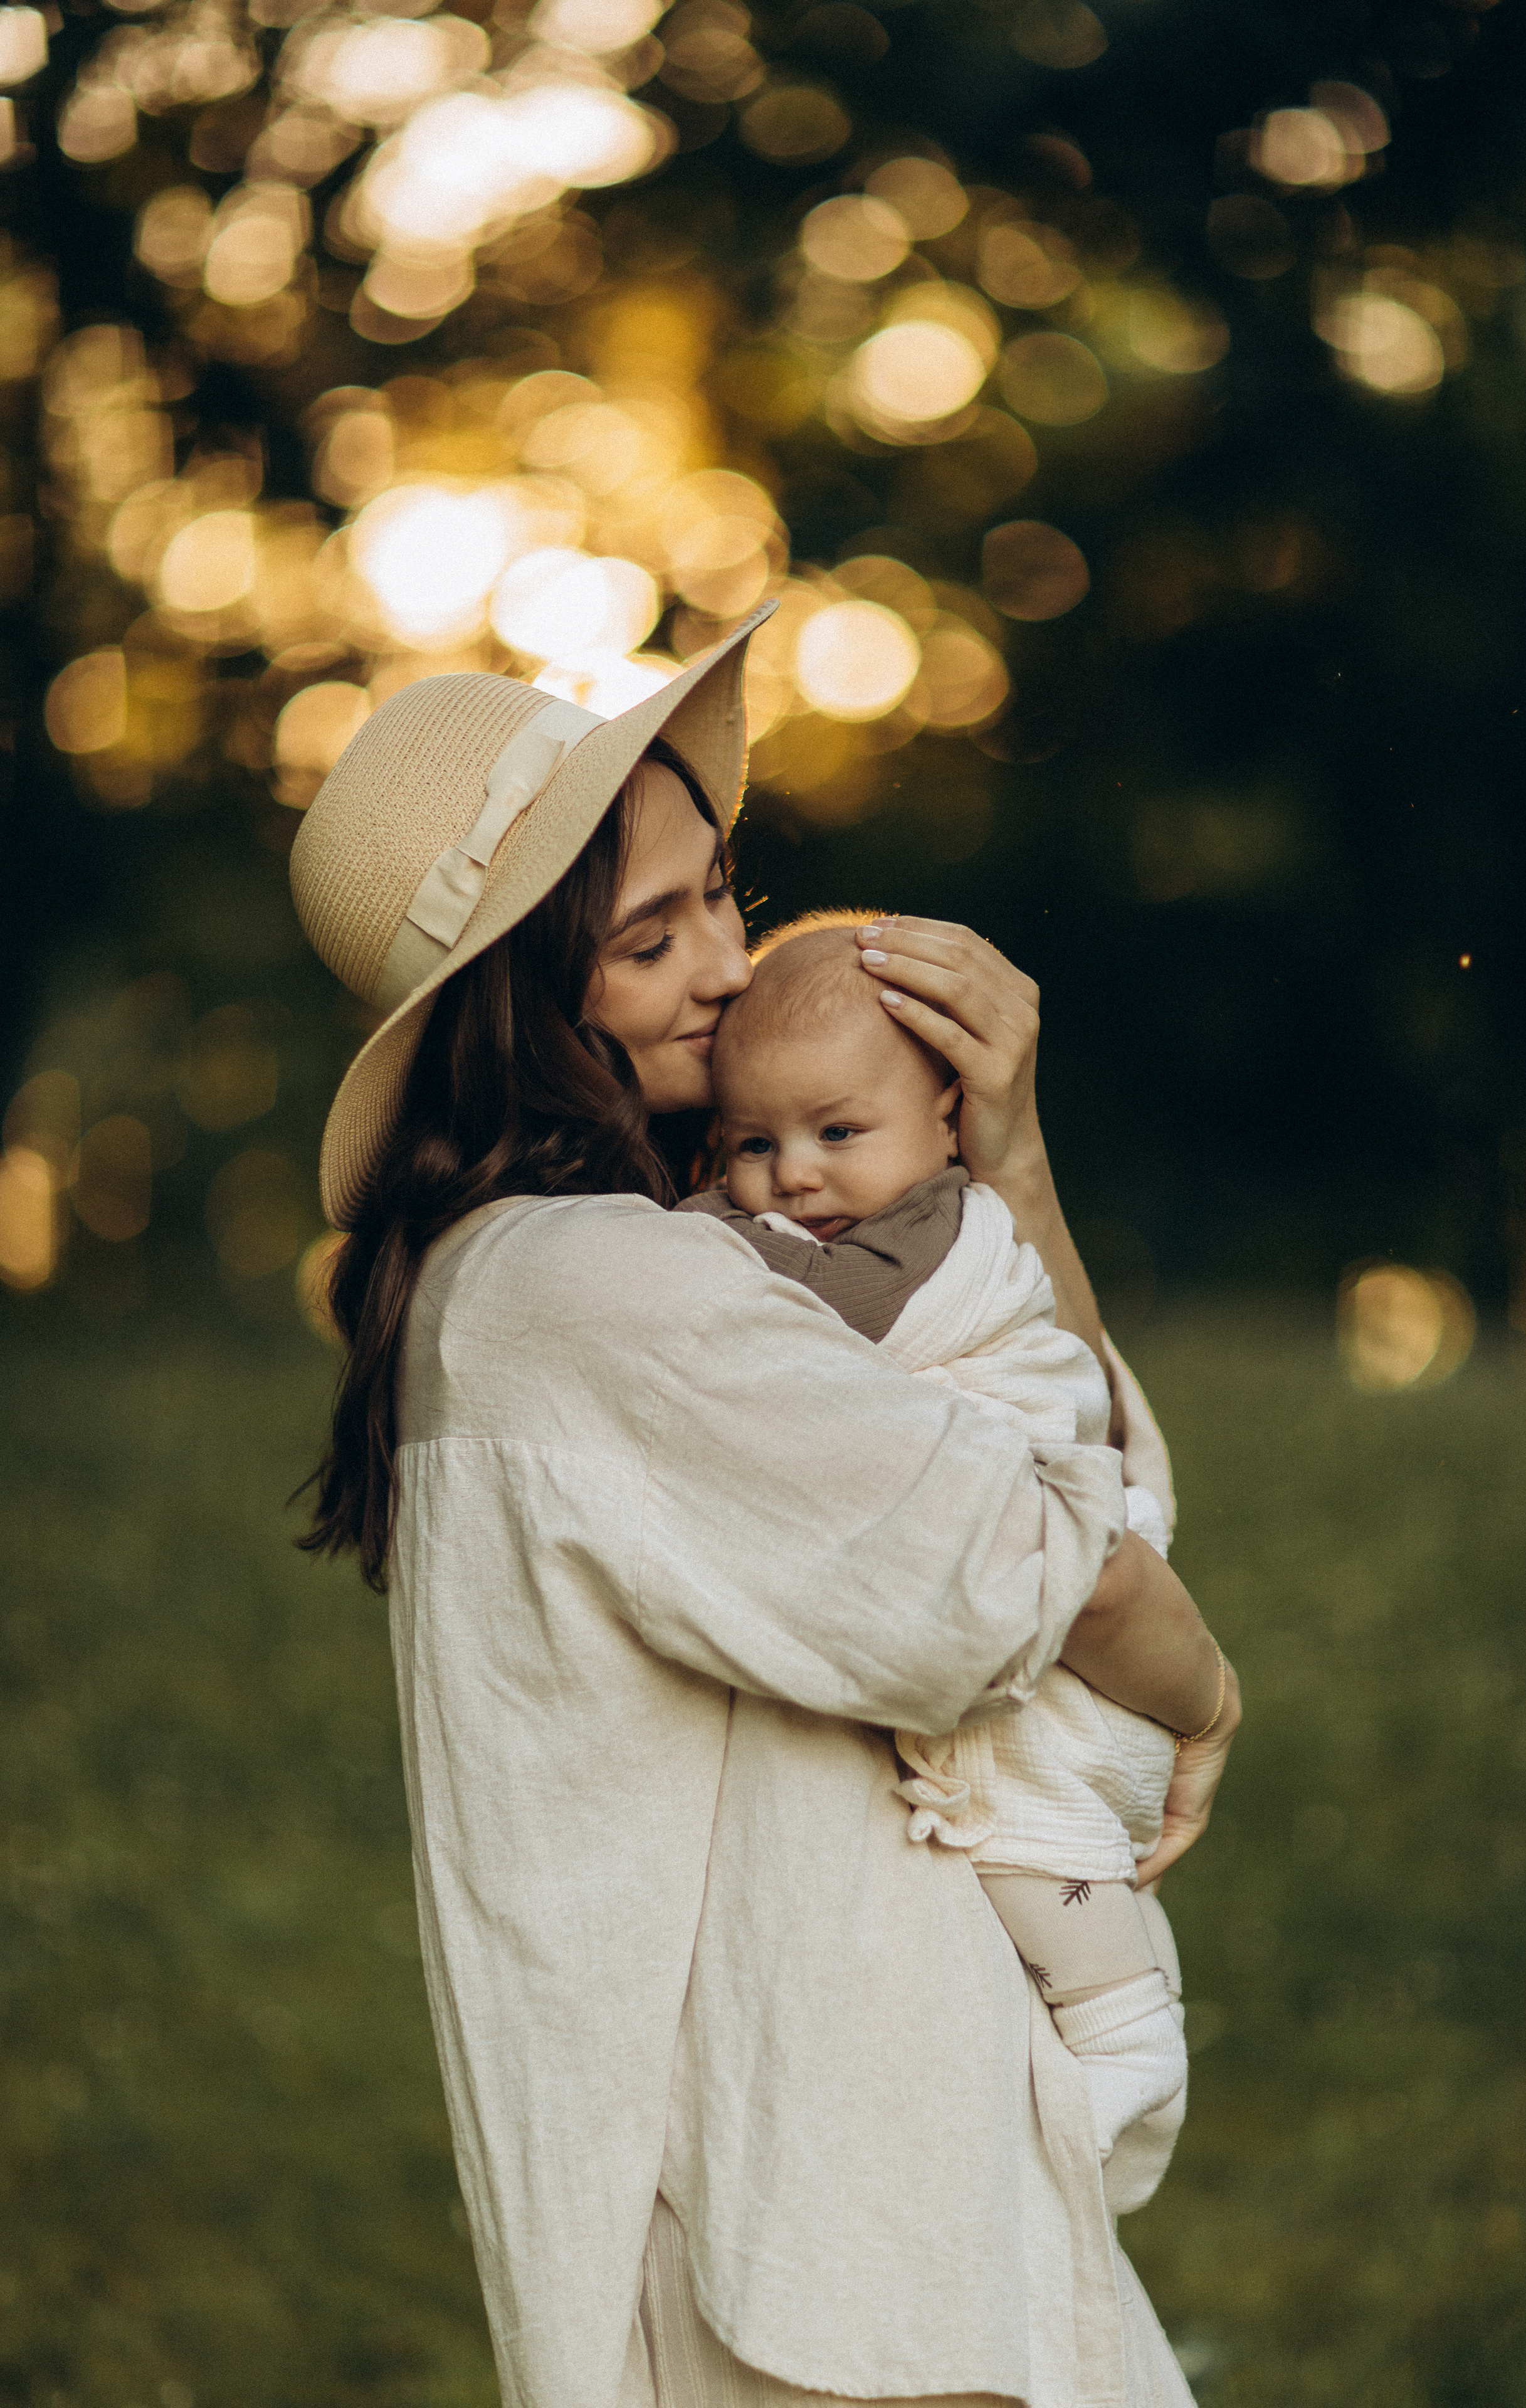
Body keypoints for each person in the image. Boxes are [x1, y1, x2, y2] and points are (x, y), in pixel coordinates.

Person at [288, 601, 1241, 2408]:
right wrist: (1203, 1702)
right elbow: (1041, 1561)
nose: (730, 967)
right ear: (524, 1004)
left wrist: (1005, 1161)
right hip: (820, 2241)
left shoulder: (640, 1261)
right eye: (652, 941)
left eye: (722, 894)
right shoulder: (594, 1289)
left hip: (860, 2186)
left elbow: (1065, 1450)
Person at [675, 915, 1204, 2216]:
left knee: (1033, 1827)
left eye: (835, 1132)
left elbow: (801, 1311)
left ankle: (1130, 2036)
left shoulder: (928, 1241)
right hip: (1023, 1568)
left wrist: (687, 1235)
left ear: (946, 1125)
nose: (792, 1177)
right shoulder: (841, 1217)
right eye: (752, 1145)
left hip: (1047, 1578)